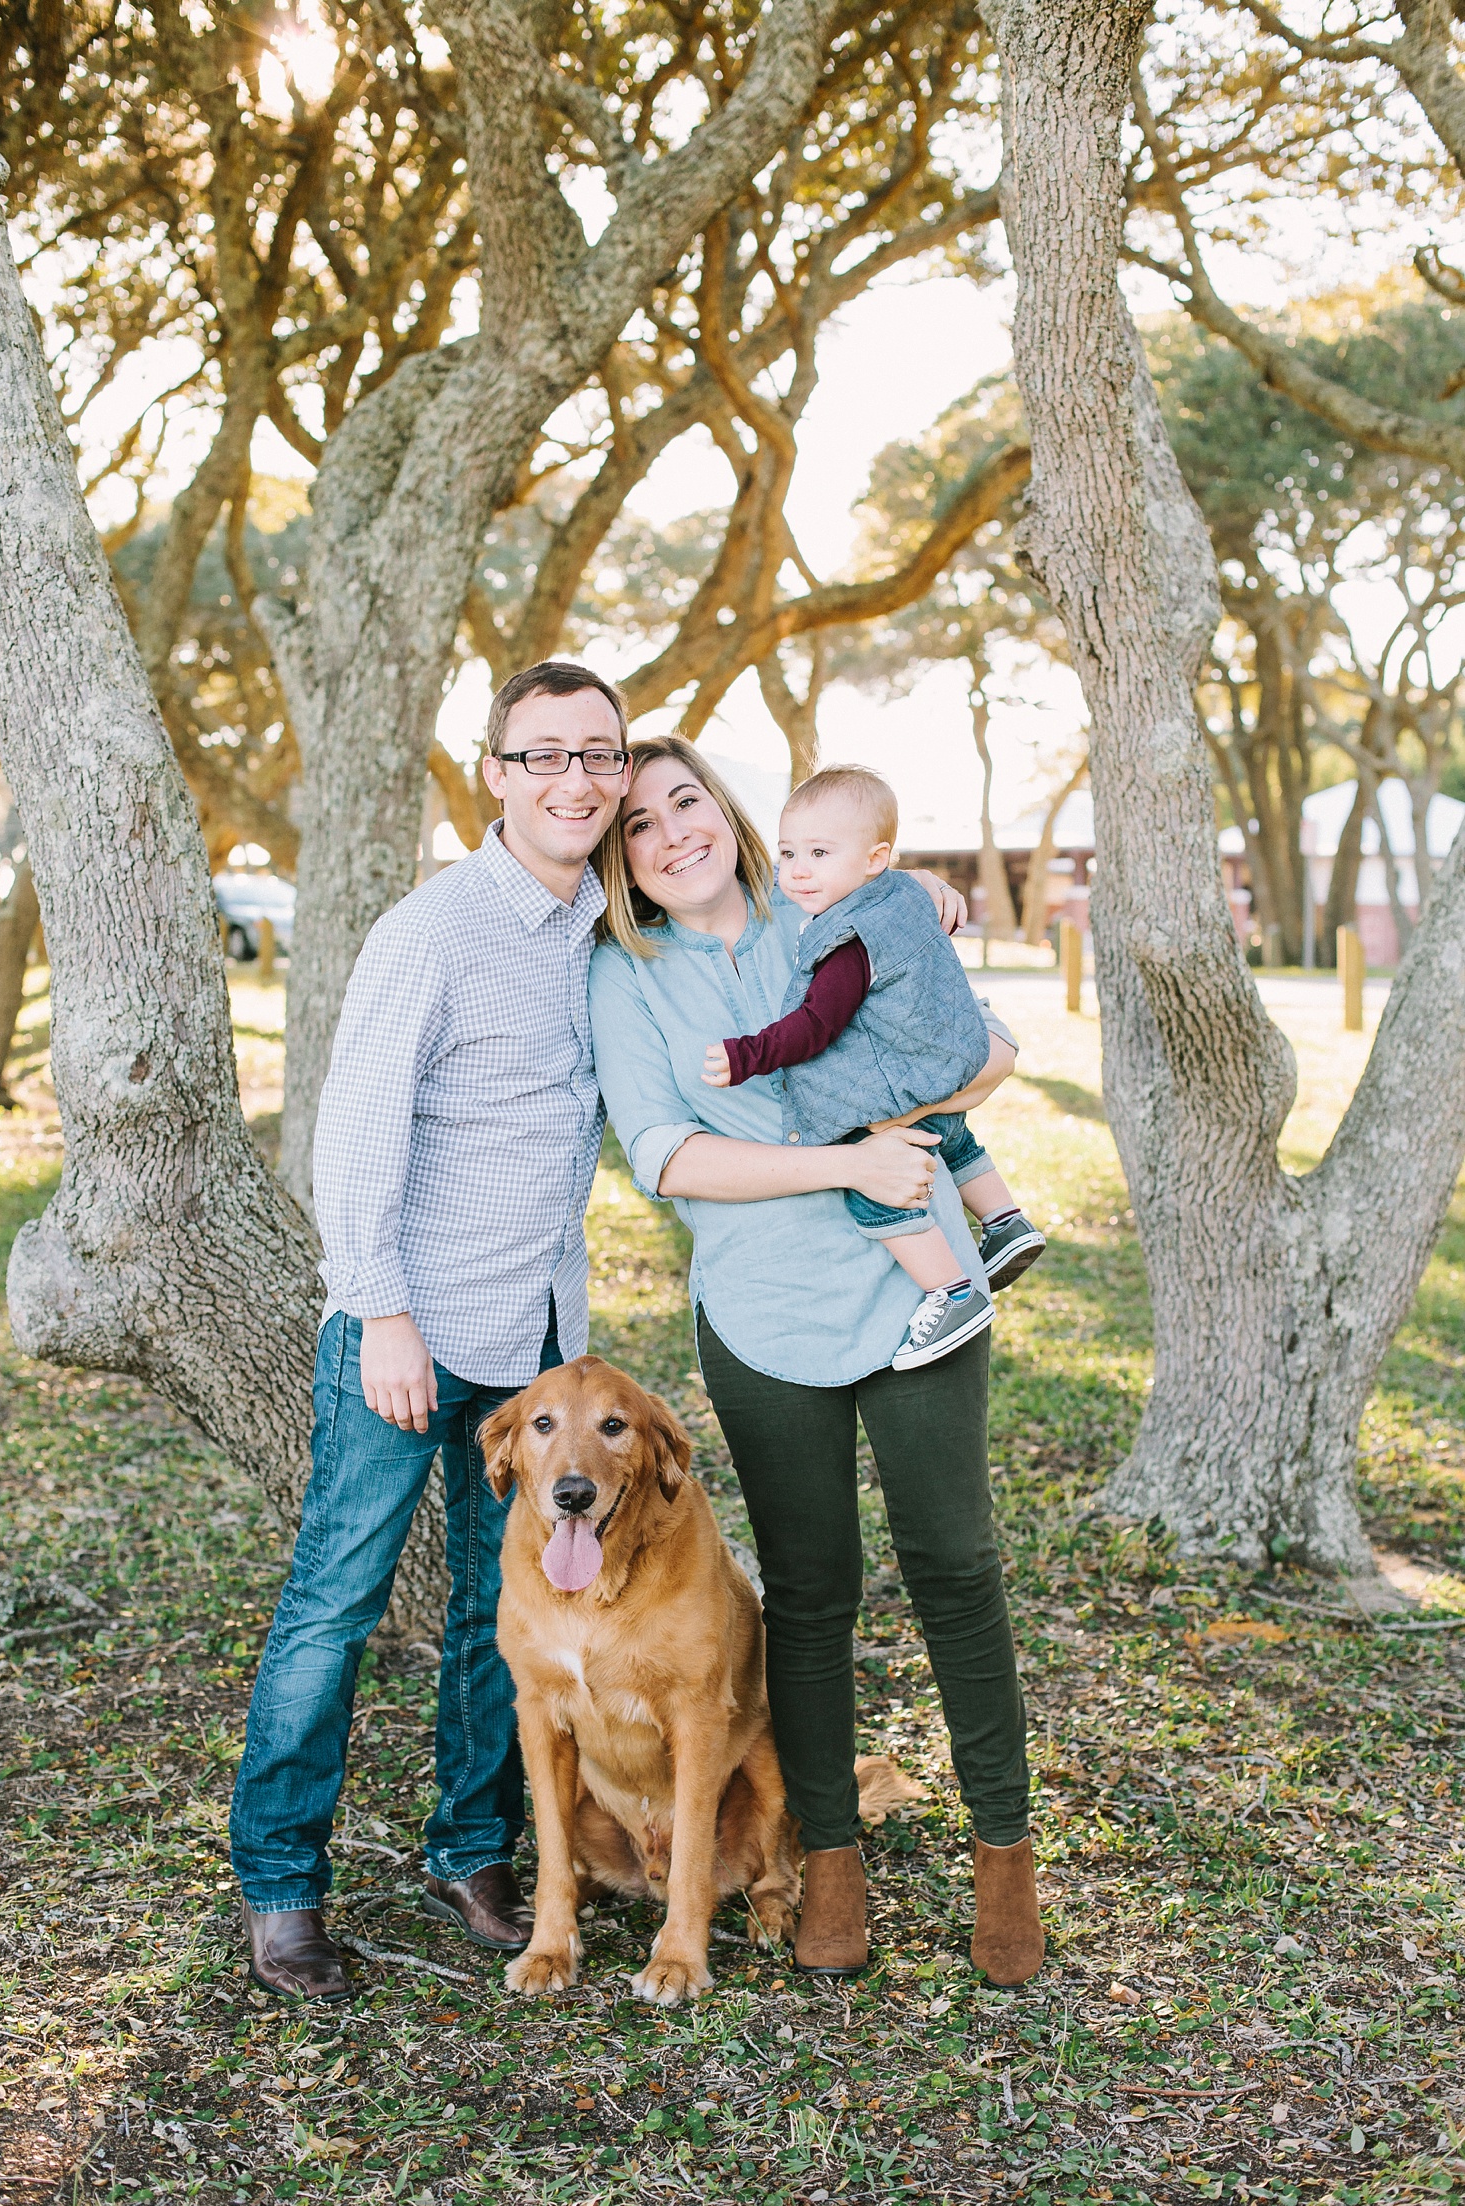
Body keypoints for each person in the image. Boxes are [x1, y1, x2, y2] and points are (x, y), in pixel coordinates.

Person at [587, 736, 1045, 1988]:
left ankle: (1005, 1854)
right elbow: (668, 1158)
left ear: (724, 812)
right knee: (811, 1586)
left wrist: (895, 1104)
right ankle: (829, 1857)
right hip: (764, 1313)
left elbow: (989, 1051)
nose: (671, 832)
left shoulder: (842, 906)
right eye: (637, 825)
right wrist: (847, 1160)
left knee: (956, 1564)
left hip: (922, 1298)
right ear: (621, 859)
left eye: (684, 801)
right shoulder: (625, 979)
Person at [228, 659, 633, 2002]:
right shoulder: (434, 929)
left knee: (497, 1608)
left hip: (537, 1345)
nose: (575, 778)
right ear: (496, 772)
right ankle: (282, 1888)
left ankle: (471, 1847)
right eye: (545, 755)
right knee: (333, 1608)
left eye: (599, 754)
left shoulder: (607, 935)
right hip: (413, 1330)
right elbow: (353, 1135)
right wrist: (383, 1310)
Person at [702, 763, 1045, 1372]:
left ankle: (953, 1293)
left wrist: (744, 1055)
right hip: (944, 1051)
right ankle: (1005, 1219)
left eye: (819, 853)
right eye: (787, 853)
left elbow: (815, 1026)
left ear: (874, 857)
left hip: (896, 1074)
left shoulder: (848, 940)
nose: (798, 870)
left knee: (876, 1191)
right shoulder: (902, 896)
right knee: (949, 1133)